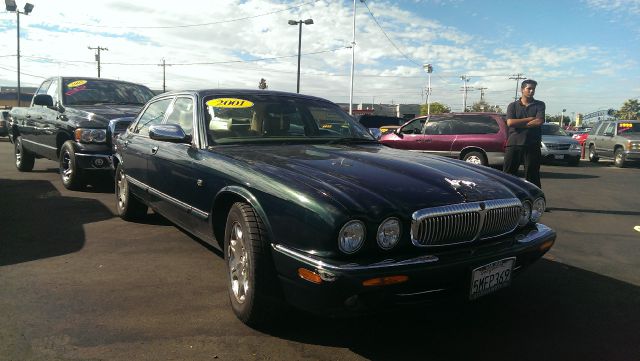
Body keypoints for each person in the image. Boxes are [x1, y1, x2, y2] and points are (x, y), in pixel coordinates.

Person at [503, 79, 545, 188]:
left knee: (533, 176)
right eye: (529, 88)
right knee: (508, 175)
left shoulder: (539, 105)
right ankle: (508, 201)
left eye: (533, 89)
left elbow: (539, 121)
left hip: (532, 144)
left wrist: (519, 124)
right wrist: (530, 119)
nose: (531, 91)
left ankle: (534, 202)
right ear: (522, 90)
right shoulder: (512, 106)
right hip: (514, 144)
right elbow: (510, 122)